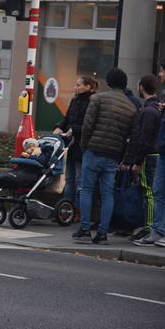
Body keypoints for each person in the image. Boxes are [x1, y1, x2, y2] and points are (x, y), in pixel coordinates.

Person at [73, 68, 139, 245]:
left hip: (93, 150)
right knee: (107, 194)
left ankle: (85, 230)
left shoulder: (98, 99)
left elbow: (88, 125)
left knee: (86, 189)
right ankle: (102, 234)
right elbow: (133, 137)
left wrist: (84, 146)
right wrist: (127, 159)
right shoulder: (131, 107)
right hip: (113, 155)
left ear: (108, 83)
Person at [53, 76, 99, 216]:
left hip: (81, 145)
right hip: (71, 145)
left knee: (80, 180)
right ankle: (66, 209)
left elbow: (89, 125)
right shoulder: (75, 100)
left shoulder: (93, 102)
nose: (75, 87)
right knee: (68, 179)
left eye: (78, 85)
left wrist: (73, 130)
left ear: (88, 87)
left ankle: (77, 211)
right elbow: (67, 118)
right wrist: (59, 127)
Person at [135, 60, 165, 247]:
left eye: (162, 71)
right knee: (158, 191)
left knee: (159, 191)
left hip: (162, 149)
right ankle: (158, 230)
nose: (160, 75)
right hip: (162, 150)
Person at [128, 75, 161, 241]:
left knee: (149, 191)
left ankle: (149, 227)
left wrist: (137, 161)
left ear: (141, 87)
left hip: (149, 155)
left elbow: (144, 139)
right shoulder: (157, 108)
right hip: (155, 153)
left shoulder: (147, 111)